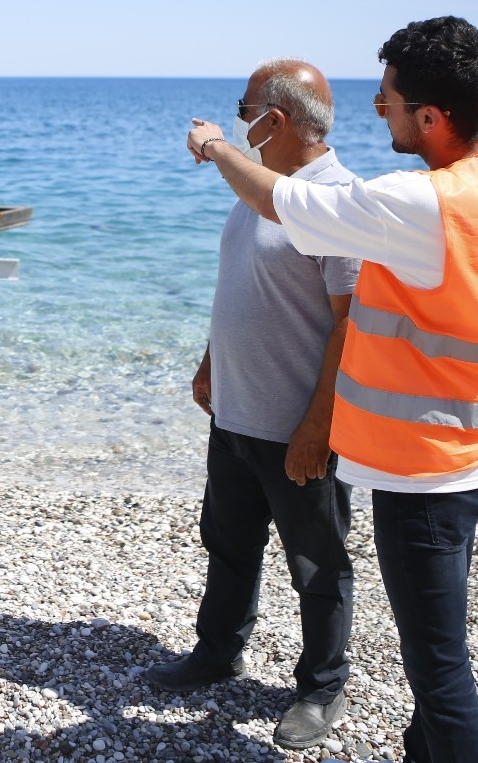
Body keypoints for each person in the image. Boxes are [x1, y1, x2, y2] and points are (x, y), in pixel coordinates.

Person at [185, 16, 478, 763]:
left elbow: (290, 213)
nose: (376, 110)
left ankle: (341, 694)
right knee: (433, 668)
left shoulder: (421, 205)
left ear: (430, 115)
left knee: (440, 671)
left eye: (386, 99)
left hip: (427, 465)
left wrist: (219, 147)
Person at [144, 59, 358, 752]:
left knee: (317, 564)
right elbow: (241, 282)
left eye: (244, 108)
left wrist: (318, 426)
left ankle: (321, 687)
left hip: (296, 427)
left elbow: (351, 327)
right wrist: (211, 362)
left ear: (275, 120)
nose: (236, 118)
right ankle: (217, 653)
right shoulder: (260, 189)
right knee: (228, 544)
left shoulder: (336, 200)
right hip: (235, 412)